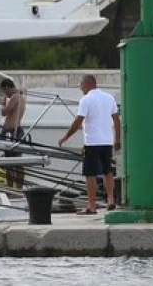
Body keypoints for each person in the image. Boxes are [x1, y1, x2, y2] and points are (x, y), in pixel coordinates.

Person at [58, 75, 120, 214]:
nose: (80, 88)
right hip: (107, 141)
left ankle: (91, 206)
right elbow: (116, 120)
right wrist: (118, 139)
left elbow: (79, 120)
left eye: (81, 85)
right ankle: (111, 199)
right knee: (107, 171)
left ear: (87, 84)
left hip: (92, 142)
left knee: (90, 174)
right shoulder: (109, 98)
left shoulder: (86, 100)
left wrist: (66, 136)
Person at [0, 78, 27, 188]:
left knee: (10, 163)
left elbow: (4, 112)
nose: (5, 94)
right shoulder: (21, 98)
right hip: (15, 131)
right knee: (16, 161)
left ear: (6, 87)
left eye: (4, 91)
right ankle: (17, 187)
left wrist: (2, 103)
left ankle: (12, 187)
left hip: (11, 132)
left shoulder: (15, 97)